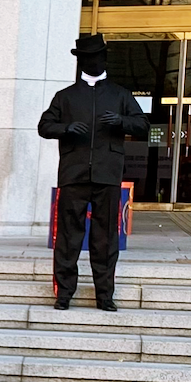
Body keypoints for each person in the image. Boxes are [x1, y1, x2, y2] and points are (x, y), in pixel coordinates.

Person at [37, 33, 147, 311]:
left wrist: (121, 121)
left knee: (105, 238)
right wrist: (66, 128)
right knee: (67, 236)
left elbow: (142, 125)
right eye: (87, 58)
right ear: (81, 61)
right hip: (73, 174)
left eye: (97, 57)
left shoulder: (120, 94)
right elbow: (44, 126)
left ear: (104, 59)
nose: (93, 62)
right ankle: (64, 293)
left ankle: (104, 295)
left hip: (107, 174)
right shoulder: (66, 96)